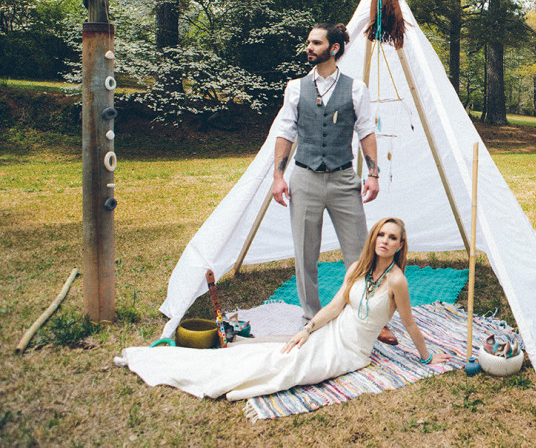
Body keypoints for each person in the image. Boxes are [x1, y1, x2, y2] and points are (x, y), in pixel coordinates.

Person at [115, 218, 449, 400]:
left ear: (401, 245)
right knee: (284, 351)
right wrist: (306, 330)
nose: (385, 241)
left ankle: (203, 373)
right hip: (331, 333)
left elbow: (410, 323)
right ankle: (170, 362)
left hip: (353, 351)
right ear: (374, 238)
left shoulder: (397, 281)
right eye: (381, 234)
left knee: (289, 370)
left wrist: (425, 357)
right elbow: (334, 306)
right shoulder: (358, 269)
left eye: (392, 238)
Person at [268, 23, 396, 343]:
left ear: (334, 48)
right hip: (305, 178)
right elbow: (285, 133)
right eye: (309, 42)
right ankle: (311, 317)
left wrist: (373, 173)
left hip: (342, 179)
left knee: (360, 253)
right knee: (304, 253)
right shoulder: (296, 88)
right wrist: (278, 176)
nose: (308, 47)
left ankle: (370, 316)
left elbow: (366, 131)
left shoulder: (356, 89)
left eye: (316, 42)